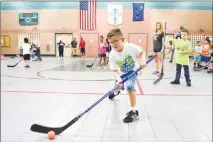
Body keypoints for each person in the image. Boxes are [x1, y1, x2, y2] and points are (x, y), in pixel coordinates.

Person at [107, 28, 146, 123]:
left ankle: (133, 111)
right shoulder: (112, 55)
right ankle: (115, 92)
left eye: (116, 41)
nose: (113, 44)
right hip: (121, 73)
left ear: (122, 39)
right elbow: (115, 70)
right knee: (118, 86)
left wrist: (142, 60)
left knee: (129, 86)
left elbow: (142, 52)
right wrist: (119, 80)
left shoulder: (130, 47)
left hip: (133, 71)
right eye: (111, 42)